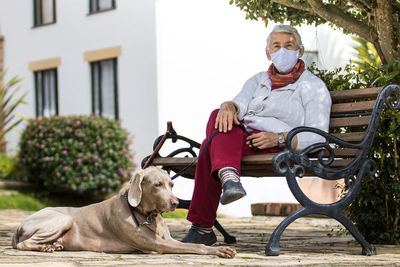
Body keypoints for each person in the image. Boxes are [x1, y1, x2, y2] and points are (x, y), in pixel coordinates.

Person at [181, 25, 332, 245]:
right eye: (276, 46)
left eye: (289, 46)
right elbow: (239, 103)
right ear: (268, 53)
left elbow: (318, 136)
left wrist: (279, 138)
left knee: (209, 145)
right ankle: (229, 177)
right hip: (242, 138)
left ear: (300, 51)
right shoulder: (258, 79)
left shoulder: (313, 87)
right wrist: (229, 106)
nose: (282, 51)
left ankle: (202, 228)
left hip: (277, 145)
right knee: (219, 114)